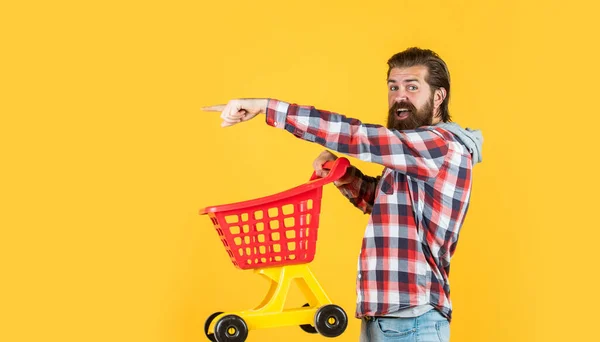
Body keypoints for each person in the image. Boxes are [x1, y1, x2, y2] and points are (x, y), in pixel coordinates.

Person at [202, 47, 483, 342]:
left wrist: (266, 107)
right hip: (387, 316)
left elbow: (357, 136)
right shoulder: (414, 151)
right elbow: (387, 204)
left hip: (411, 321)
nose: (400, 96)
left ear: (438, 97)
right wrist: (344, 174)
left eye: (412, 87)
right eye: (393, 87)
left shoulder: (439, 145)